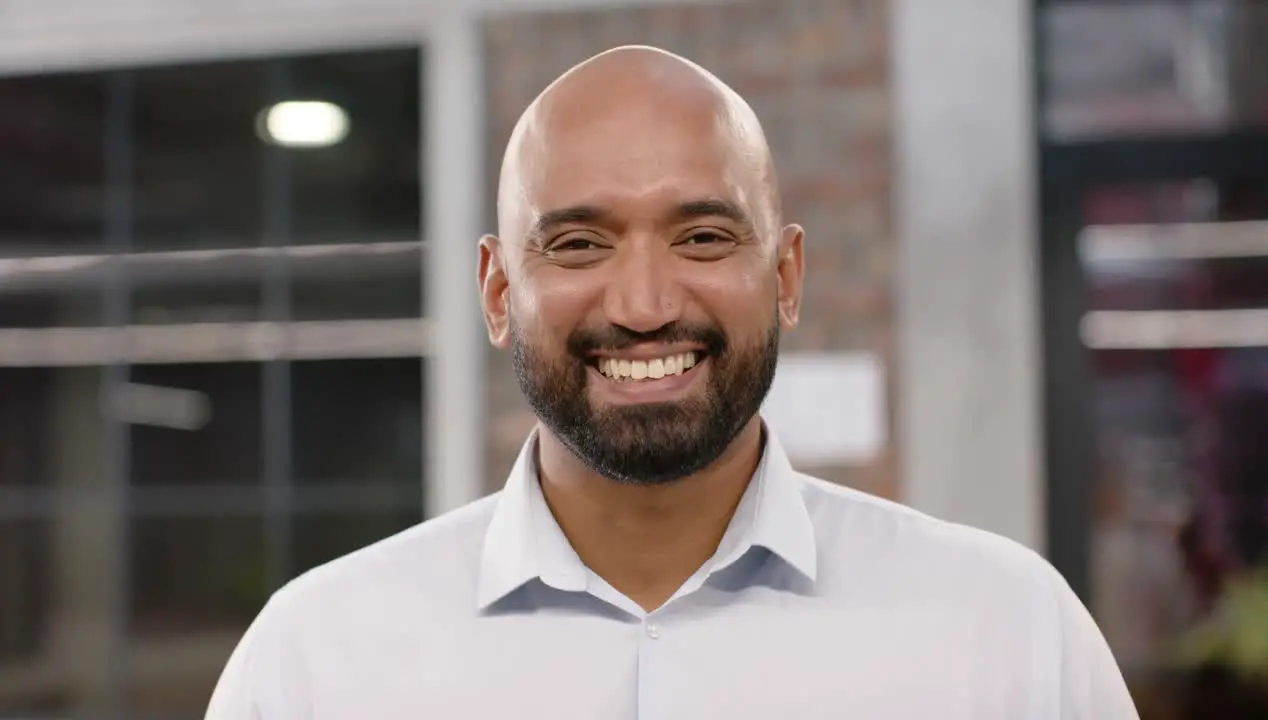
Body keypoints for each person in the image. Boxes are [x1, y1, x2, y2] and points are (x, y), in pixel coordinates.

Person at [205, 45, 1138, 719]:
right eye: (578, 244)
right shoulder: (314, 667)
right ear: (497, 291)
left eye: (702, 237)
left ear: (787, 276)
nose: (645, 304)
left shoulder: (1009, 638)